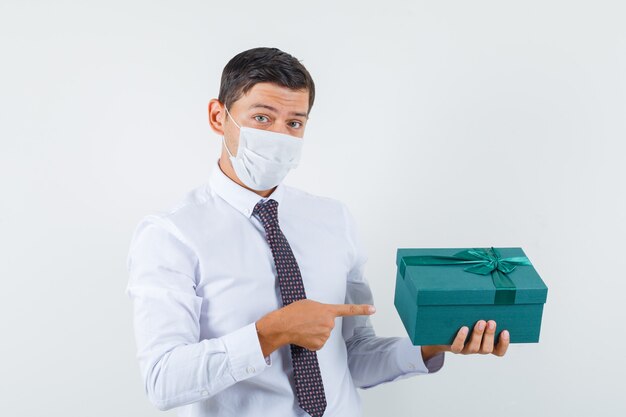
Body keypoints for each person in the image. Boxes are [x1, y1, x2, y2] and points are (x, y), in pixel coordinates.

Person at [126, 47, 510, 417]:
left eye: (294, 122)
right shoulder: (170, 234)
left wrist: (428, 347)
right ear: (217, 116)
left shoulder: (333, 219)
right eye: (262, 117)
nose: (279, 133)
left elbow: (354, 355)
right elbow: (163, 380)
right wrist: (268, 333)